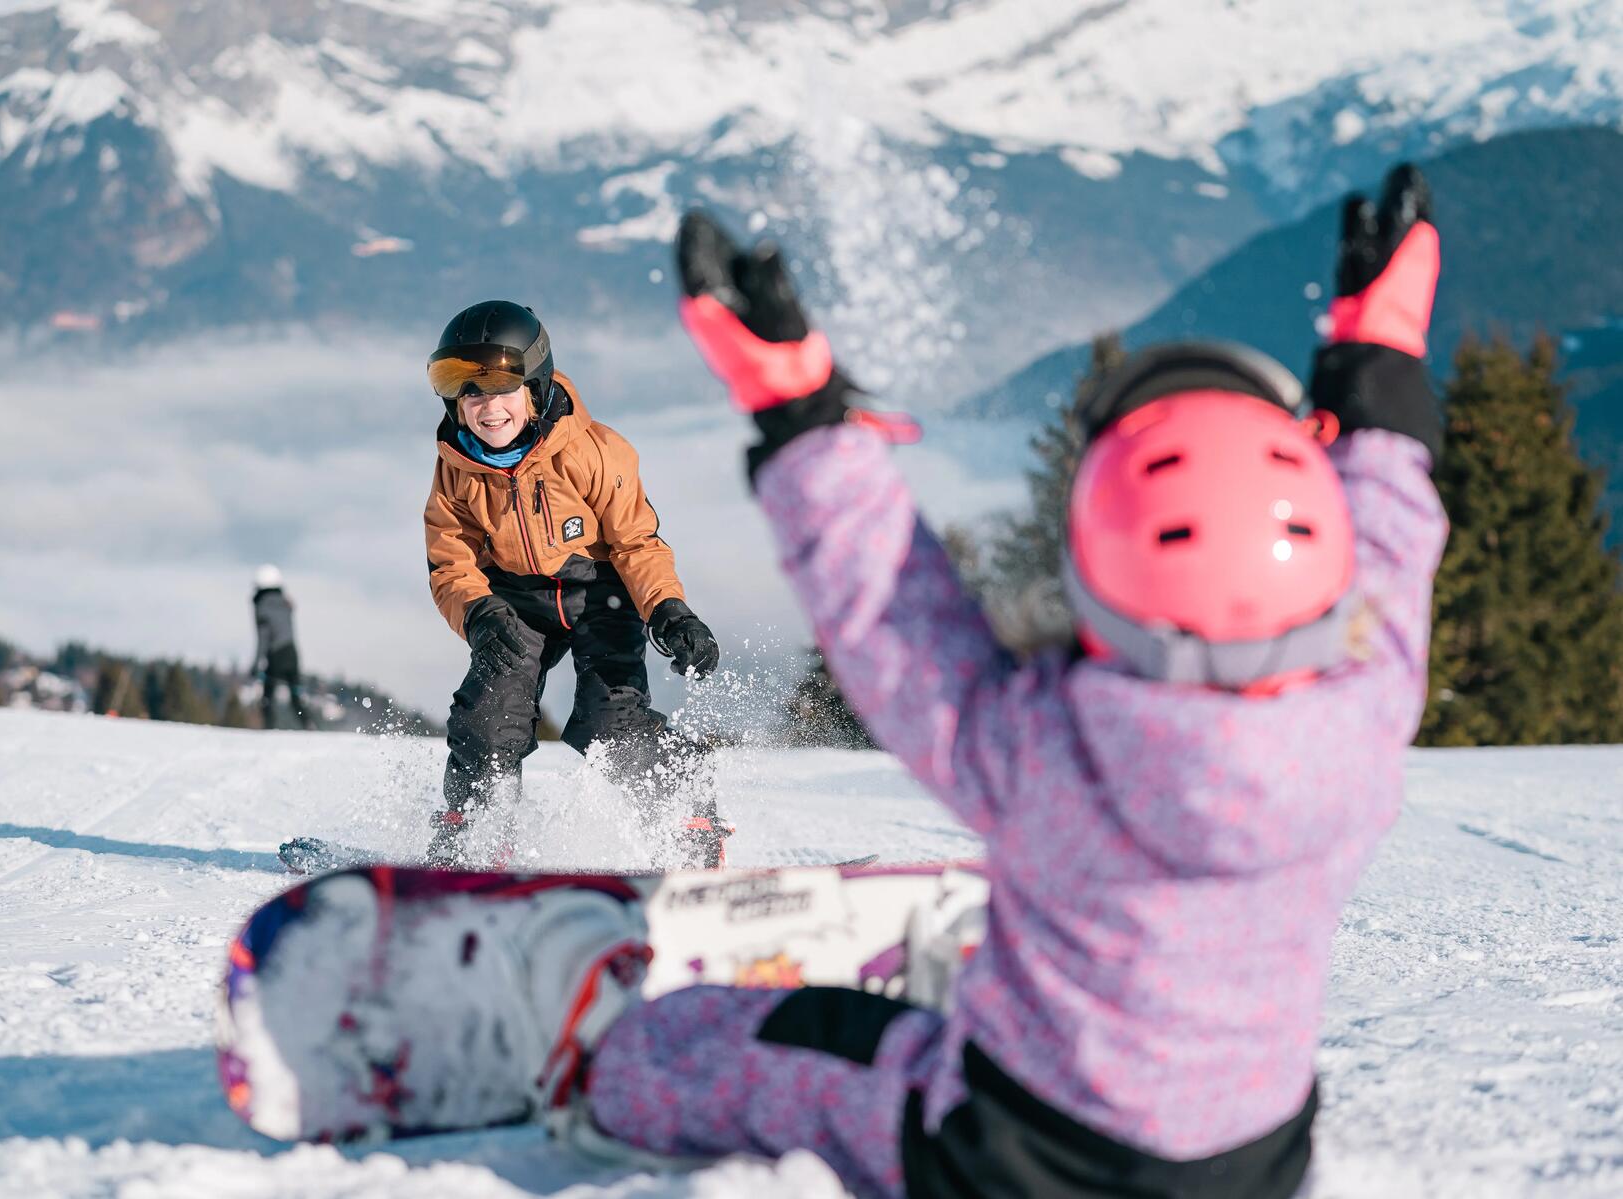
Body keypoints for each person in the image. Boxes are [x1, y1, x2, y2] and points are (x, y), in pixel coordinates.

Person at [457, 164, 1446, 1196]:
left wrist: (796, 408)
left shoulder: (1047, 750)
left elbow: (890, 608)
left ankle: (605, 1071)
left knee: (776, 1048)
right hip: (1257, 1161)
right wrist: (1382, 355)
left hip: (1005, 1153)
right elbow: (1392, 533)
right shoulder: (1362, 716)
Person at [423, 300, 726, 869]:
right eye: (468, 390)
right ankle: (476, 835)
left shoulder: (594, 452)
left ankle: (686, 811)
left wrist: (668, 608)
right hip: (512, 600)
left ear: (535, 386)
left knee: (609, 725)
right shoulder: (455, 469)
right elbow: (450, 561)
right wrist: (478, 612)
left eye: (503, 388)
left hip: (599, 593)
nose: (488, 409)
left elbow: (637, 542)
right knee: (489, 716)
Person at [252, 564, 316, 730]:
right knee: (295, 694)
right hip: (292, 652)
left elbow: (263, 638)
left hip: (276, 654)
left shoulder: (262, 608)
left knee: (268, 696)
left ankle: (269, 728)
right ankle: (308, 724)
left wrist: (256, 664)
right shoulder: (285, 604)